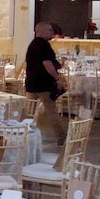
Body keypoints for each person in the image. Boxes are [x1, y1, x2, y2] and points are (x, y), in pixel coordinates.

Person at [25, 21, 67, 151]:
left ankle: (24, 136)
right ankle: (62, 138)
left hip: (31, 83)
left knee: (29, 113)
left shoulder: (33, 44)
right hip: (43, 85)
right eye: (49, 30)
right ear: (41, 32)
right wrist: (57, 78)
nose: (52, 32)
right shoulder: (43, 44)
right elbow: (47, 64)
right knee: (52, 112)